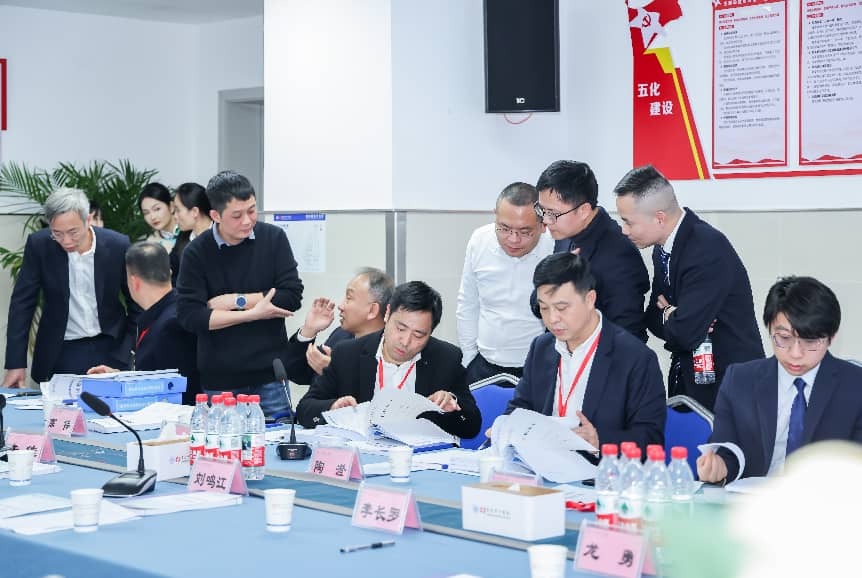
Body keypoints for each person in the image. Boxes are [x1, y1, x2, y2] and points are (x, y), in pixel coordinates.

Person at [613, 164, 764, 411]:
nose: (624, 230)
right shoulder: (662, 249)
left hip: (729, 390)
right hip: (689, 382)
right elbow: (653, 319)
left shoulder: (706, 248)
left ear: (659, 217)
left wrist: (673, 316)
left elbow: (685, 333)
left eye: (629, 222)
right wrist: (671, 315)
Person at [697, 276, 862, 483]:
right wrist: (719, 467)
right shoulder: (739, 380)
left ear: (832, 336)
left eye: (810, 341)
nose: (795, 353)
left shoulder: (855, 386)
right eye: (784, 338)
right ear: (770, 329)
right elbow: (727, 451)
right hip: (754, 498)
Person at [504, 252, 666, 450]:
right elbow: (520, 408)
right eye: (544, 308)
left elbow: (650, 439)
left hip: (598, 466)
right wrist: (505, 428)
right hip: (542, 462)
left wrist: (600, 440)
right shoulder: (541, 347)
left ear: (590, 299)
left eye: (561, 308)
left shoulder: (634, 357)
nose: (552, 319)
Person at [176, 170, 303, 417]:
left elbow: (291, 295)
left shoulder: (273, 238)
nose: (247, 221)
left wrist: (236, 301)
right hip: (221, 381)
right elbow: (191, 316)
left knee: (278, 436)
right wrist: (253, 314)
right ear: (215, 215)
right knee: (224, 441)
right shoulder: (196, 252)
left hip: (271, 376)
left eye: (252, 211)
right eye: (237, 215)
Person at [296, 281, 482, 440]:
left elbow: (471, 427)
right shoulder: (348, 354)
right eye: (400, 328)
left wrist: (452, 406)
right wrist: (333, 407)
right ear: (387, 314)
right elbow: (305, 410)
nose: (405, 341)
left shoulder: (446, 359)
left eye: (418, 335)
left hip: (418, 461)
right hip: (364, 458)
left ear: (430, 332)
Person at [3, 187, 137, 387]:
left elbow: (136, 301)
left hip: (111, 347)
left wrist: (129, 348)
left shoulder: (117, 245)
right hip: (62, 350)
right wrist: (16, 363)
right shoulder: (40, 245)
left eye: (73, 232)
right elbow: (22, 304)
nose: (65, 241)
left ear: (88, 220)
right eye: (57, 233)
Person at [534, 160, 649, 342]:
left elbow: (628, 336)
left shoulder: (620, 256)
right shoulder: (565, 232)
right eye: (542, 210)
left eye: (552, 213)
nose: (546, 221)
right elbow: (537, 306)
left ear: (583, 210)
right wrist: (553, 277)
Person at [456, 182, 553, 384]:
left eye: (525, 232)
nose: (513, 239)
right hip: (483, 365)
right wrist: (469, 358)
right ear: (495, 216)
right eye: (504, 228)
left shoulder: (555, 247)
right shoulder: (480, 240)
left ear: (542, 225)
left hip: (538, 368)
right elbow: (468, 303)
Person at [87, 241, 200, 404]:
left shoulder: (170, 325)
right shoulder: (168, 311)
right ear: (169, 272)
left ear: (134, 282)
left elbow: (171, 390)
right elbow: (154, 375)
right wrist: (118, 377)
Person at [284, 267, 394, 385]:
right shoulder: (341, 335)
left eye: (349, 298)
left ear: (372, 310)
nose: (340, 306)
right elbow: (297, 374)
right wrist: (308, 330)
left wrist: (337, 373)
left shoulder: (393, 350)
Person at [169, 182, 212, 286]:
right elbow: (171, 268)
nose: (175, 216)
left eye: (177, 210)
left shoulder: (225, 236)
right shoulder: (183, 237)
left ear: (194, 212)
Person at [138, 182, 178, 252]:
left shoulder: (192, 233)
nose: (152, 217)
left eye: (157, 209)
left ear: (171, 207)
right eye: (146, 213)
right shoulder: (149, 245)